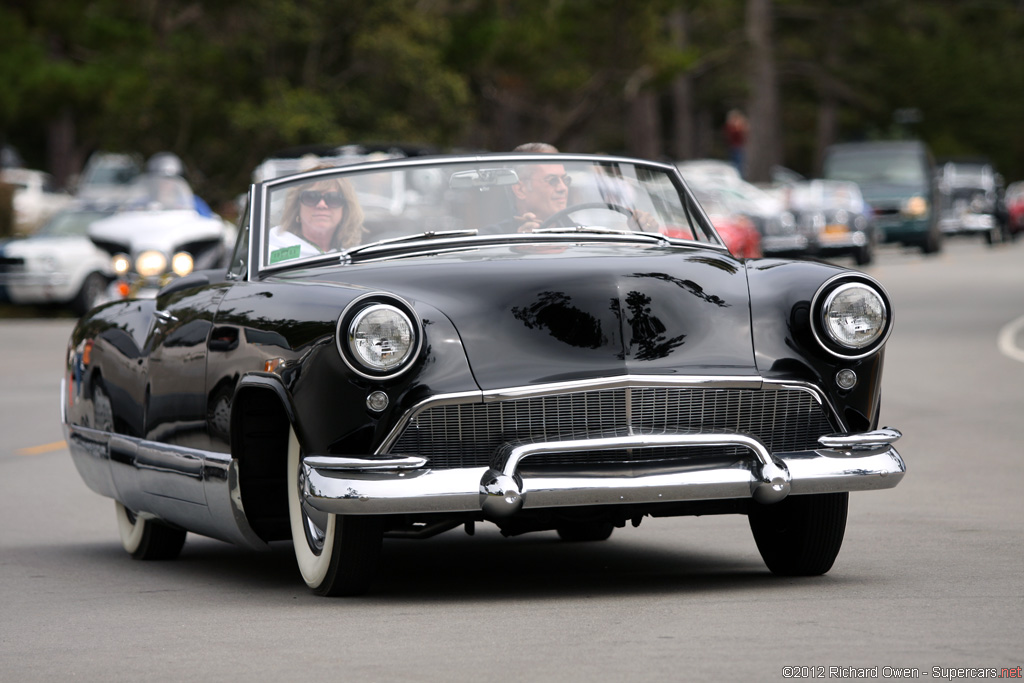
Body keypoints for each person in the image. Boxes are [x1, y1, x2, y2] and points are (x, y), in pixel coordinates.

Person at [268, 173, 365, 262]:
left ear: (345, 210)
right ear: (297, 207)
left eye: (333, 198)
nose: (321, 205)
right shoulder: (271, 254)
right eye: (311, 197)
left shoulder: (355, 257)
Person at [724, 109, 748, 178]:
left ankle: (739, 177)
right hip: (734, 147)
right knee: (735, 164)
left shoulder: (737, 127)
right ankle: (736, 177)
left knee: (738, 164)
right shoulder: (732, 127)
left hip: (737, 147)